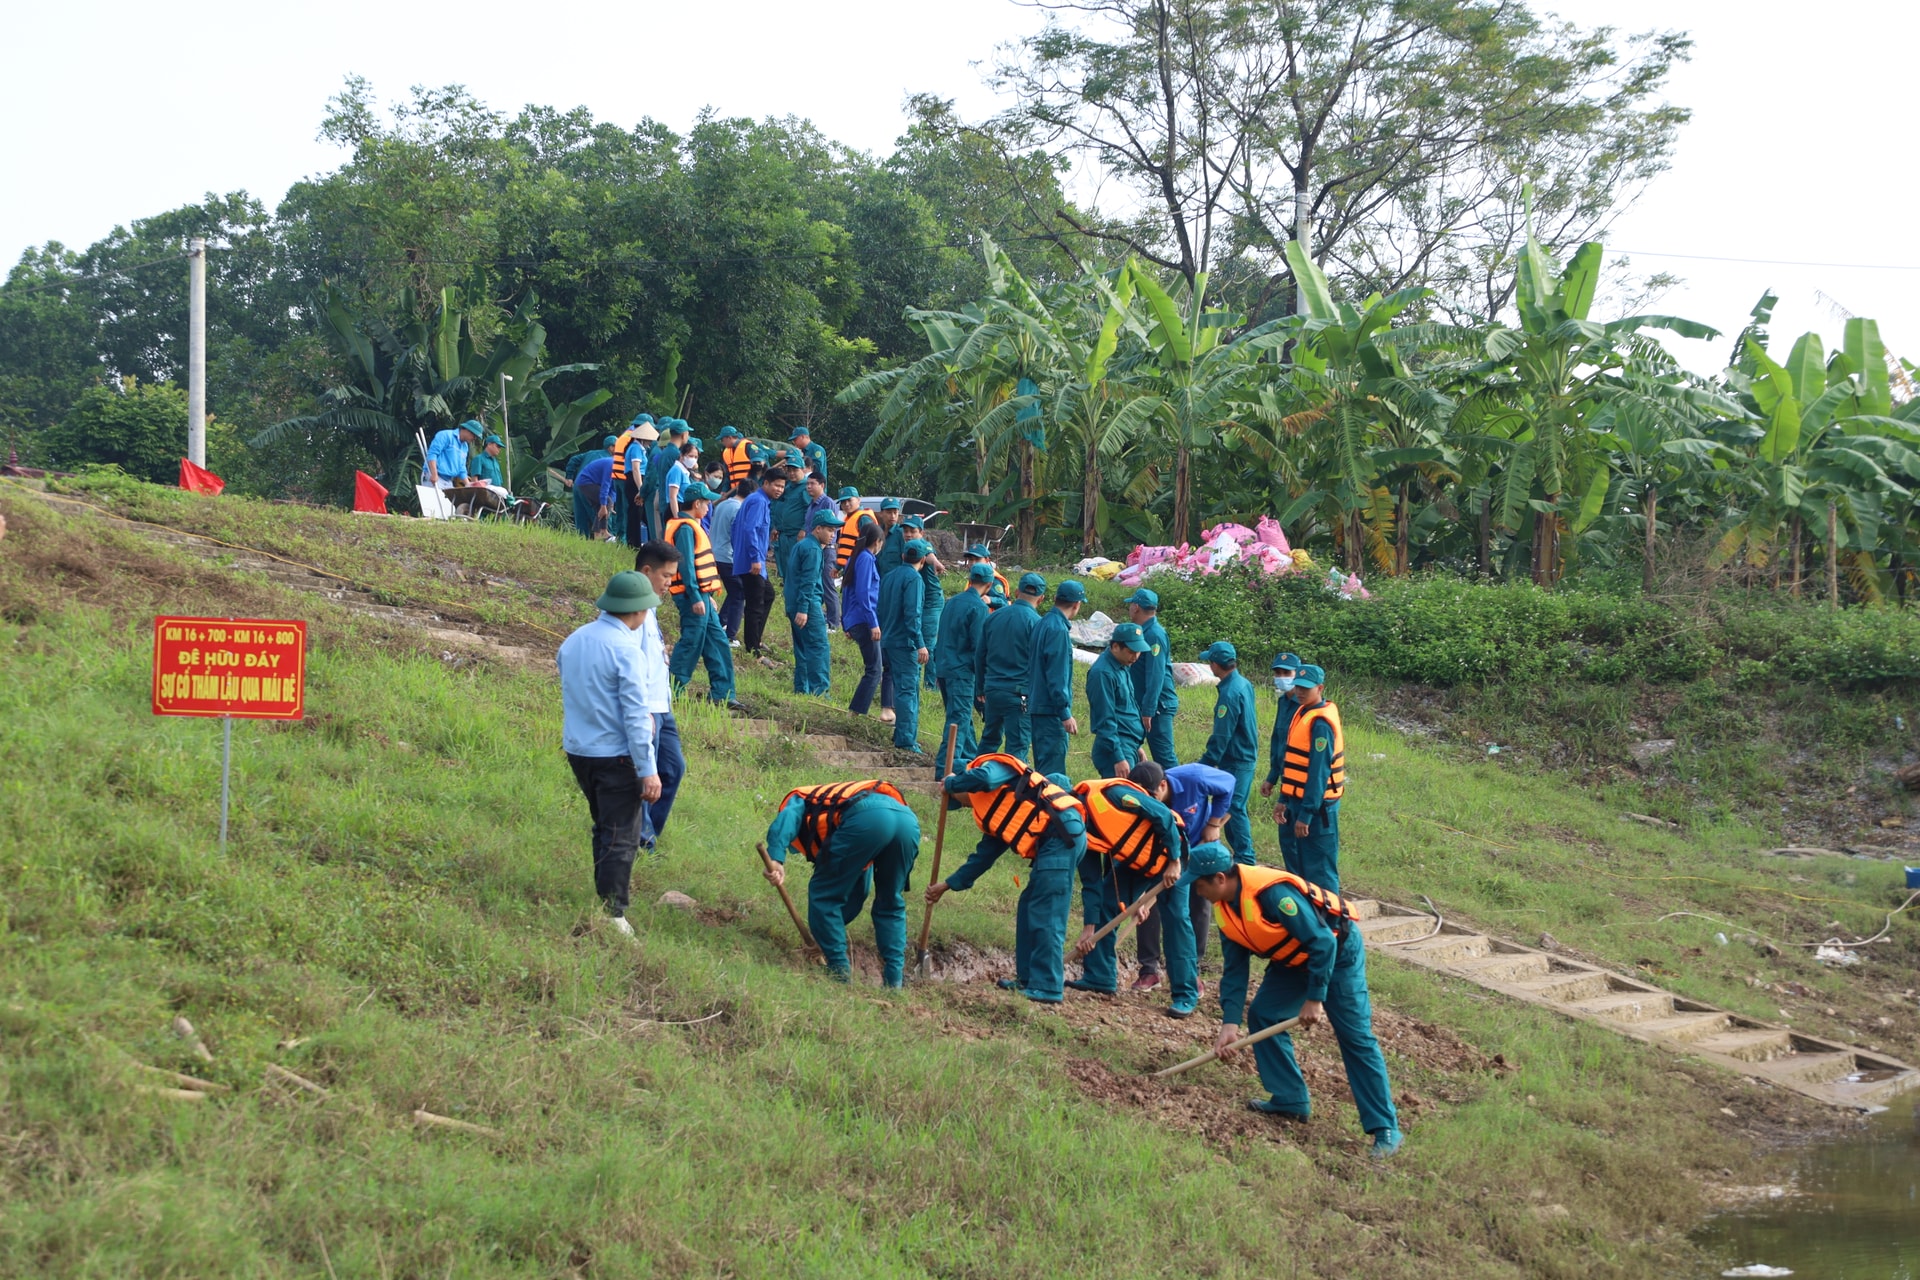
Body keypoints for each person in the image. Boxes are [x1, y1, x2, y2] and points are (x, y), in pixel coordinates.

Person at [1183, 842, 1402, 1157]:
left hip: (1337, 954)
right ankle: (1290, 1099)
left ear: (1219, 878)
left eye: (1199, 885)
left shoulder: (1273, 894)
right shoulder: (1225, 909)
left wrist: (1315, 998)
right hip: (1294, 960)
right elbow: (1234, 972)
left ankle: (1386, 1127)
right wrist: (1229, 1023)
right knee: (1264, 1014)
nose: (1197, 892)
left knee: (1354, 1035)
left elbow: (1323, 941)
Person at [925, 755, 1086, 1004]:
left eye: (958, 800)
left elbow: (985, 778)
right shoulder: (996, 809)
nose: (965, 806)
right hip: (1054, 840)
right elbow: (982, 859)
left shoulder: (993, 769)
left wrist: (952, 784)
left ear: (964, 783)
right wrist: (946, 886)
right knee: (1029, 905)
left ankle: (1048, 987)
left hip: (1061, 834)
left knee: (1046, 911)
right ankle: (1027, 979)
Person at [557, 572, 663, 936]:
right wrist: (648, 769)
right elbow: (635, 716)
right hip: (616, 755)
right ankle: (612, 915)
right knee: (622, 835)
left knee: (604, 826)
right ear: (639, 611)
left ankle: (603, 899)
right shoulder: (626, 651)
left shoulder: (574, 640)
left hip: (579, 749)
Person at [762, 780, 921, 986]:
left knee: (823, 894)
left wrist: (775, 856)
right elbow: (856, 895)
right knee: (890, 902)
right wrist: (825, 936)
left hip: (866, 820)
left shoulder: (800, 798)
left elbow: (789, 816)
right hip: (906, 821)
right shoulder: (837, 810)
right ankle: (894, 982)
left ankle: (839, 975)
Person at [1068, 773, 1196, 1017]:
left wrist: (1174, 861)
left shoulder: (1114, 795)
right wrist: (1090, 927)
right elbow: (1093, 882)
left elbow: (1163, 815)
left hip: (1172, 855)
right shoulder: (1078, 828)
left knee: (1176, 920)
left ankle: (1185, 994)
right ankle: (1100, 976)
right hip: (1138, 863)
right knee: (1107, 900)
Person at [1133, 760, 1233, 987]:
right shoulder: (1138, 801)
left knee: (1198, 904)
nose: (1148, 802)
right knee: (1150, 903)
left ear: (1162, 785)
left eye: (1151, 795)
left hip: (1199, 845)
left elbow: (1229, 783)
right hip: (1162, 852)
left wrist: (1214, 823)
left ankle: (1192, 970)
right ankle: (1149, 970)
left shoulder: (1194, 777)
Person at [629, 545, 688, 846]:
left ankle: (648, 833)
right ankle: (641, 841)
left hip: (662, 706)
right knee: (645, 775)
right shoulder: (630, 608)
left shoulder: (651, 608)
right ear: (646, 572)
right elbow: (627, 666)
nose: (670, 582)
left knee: (673, 768)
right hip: (646, 708)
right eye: (666, 575)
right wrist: (642, 713)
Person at [660, 483, 737, 707]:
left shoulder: (691, 524)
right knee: (691, 642)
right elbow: (686, 566)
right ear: (697, 504)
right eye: (707, 503)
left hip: (700, 595)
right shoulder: (685, 527)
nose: (709, 507)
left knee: (718, 641)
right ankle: (671, 690)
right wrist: (695, 596)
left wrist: (705, 595)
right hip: (690, 595)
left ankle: (723, 694)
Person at [1273, 663, 1346, 892]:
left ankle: (1332, 923)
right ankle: (1309, 921)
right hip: (1297, 800)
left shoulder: (1320, 723)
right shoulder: (1301, 712)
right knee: (1302, 869)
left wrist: (1306, 814)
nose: (1300, 692)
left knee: (1320, 872)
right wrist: (1283, 800)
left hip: (1317, 809)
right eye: (1298, 687)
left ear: (1320, 688)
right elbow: (1294, 765)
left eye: (1306, 688)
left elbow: (1318, 773)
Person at [1197, 641, 1260, 866]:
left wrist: (1206, 762)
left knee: (1233, 807)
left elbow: (1222, 735)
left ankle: (1246, 859)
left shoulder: (1230, 693)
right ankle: (1240, 856)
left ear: (1215, 664)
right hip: (1243, 756)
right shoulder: (1243, 684)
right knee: (1231, 806)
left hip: (1236, 759)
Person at [933, 562, 992, 775]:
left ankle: (970, 761)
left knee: (963, 717)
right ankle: (945, 768)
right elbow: (979, 647)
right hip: (962, 672)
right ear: (989, 584)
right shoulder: (979, 608)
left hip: (943, 667)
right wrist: (983, 683)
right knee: (958, 719)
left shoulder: (951, 602)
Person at [976, 573, 1041, 758]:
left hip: (993, 690)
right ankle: (1011, 786)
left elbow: (980, 655)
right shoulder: (1037, 624)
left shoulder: (994, 617)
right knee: (1017, 749)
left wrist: (980, 687)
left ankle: (974, 781)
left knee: (989, 740)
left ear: (1016, 591)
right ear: (1042, 598)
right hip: (1019, 694)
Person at [878, 538, 930, 752]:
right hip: (904, 642)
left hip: (887, 639)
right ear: (923, 560)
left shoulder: (889, 577)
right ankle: (907, 740)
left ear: (902, 557)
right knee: (908, 691)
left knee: (898, 687)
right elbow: (912, 614)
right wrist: (920, 644)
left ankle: (900, 734)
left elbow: (880, 607)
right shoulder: (914, 580)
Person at [1027, 579, 1083, 777]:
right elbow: (1056, 676)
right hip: (1050, 711)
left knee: (1042, 770)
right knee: (1053, 775)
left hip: (1037, 706)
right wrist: (1064, 713)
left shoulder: (1042, 622)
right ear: (1077, 605)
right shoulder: (1058, 630)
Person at [1085, 620, 1150, 777]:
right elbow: (1105, 720)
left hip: (1128, 745)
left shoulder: (1122, 665)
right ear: (1115, 647)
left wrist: (1136, 747)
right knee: (1123, 798)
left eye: (1139, 652)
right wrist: (1118, 758)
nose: (1135, 657)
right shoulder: (1103, 674)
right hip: (1116, 748)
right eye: (1131, 651)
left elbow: (1126, 709)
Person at [731, 467, 784, 659]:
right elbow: (749, 529)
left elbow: (738, 526)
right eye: (776, 485)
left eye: (782, 486)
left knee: (768, 595)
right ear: (766, 483)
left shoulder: (757, 500)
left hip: (751, 559)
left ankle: (756, 640)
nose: (779, 489)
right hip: (752, 562)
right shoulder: (759, 501)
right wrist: (754, 557)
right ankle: (753, 649)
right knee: (755, 603)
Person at [786, 508, 839, 695]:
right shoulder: (813, 549)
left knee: (802, 648)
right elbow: (807, 582)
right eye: (830, 530)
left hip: (793, 603)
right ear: (818, 529)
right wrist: (803, 608)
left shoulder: (802, 545)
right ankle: (821, 692)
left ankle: (802, 689)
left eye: (834, 530)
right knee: (819, 646)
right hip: (808, 605)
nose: (833, 534)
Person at [1259, 651, 1305, 863]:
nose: (1281, 677)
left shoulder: (1304, 706)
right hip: (1284, 774)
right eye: (1278, 672)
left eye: (1286, 672)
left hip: (1300, 779)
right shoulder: (1283, 702)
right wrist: (1272, 776)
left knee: (1298, 842)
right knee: (1286, 839)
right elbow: (1278, 742)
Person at [1125, 588, 1179, 767]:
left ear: (1136, 607)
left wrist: (1148, 710)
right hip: (1147, 703)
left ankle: (1180, 793)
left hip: (1158, 706)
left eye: (1131, 604)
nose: (1129, 608)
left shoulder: (1154, 635)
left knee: (1164, 757)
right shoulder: (1143, 632)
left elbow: (1156, 676)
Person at [841, 522, 885, 715]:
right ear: (877, 542)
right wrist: (873, 623)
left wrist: (846, 622)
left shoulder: (854, 557)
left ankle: (856, 712)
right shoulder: (867, 559)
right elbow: (863, 593)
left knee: (873, 668)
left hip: (855, 619)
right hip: (865, 620)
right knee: (875, 670)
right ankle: (856, 713)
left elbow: (846, 591)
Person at [709, 478, 749, 641]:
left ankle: (718, 621)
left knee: (729, 592)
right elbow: (737, 536)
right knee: (739, 594)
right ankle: (730, 635)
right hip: (728, 556)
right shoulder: (739, 509)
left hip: (713, 553)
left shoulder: (723, 503)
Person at [608, 416, 658, 545]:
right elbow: (636, 469)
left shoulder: (629, 441)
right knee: (633, 512)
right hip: (633, 480)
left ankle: (629, 540)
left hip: (623, 478)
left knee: (631, 512)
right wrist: (641, 489)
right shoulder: (635, 447)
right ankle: (631, 542)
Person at [802, 473, 841, 629]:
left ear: (822, 485)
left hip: (826, 549)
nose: (809, 487)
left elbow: (831, 530)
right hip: (815, 548)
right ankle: (824, 618)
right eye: (807, 484)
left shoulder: (828, 503)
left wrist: (820, 548)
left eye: (812, 483)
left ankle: (833, 623)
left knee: (828, 585)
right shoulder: (812, 504)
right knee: (817, 584)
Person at [769, 458, 811, 582]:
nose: (792, 473)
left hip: (796, 536)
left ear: (802, 469)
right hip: (783, 536)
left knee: (797, 571)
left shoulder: (806, 488)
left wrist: (804, 529)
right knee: (786, 572)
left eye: (795, 470)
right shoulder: (787, 488)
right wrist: (776, 527)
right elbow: (777, 507)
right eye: (789, 470)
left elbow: (809, 511)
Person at [569, 435, 618, 537]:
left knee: (580, 516)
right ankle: (602, 535)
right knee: (600, 510)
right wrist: (608, 504)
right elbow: (608, 485)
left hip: (578, 485)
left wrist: (569, 476)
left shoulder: (591, 453)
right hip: (589, 486)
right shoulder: (610, 461)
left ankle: (582, 539)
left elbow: (573, 459)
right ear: (611, 447)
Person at [421, 419, 482, 488]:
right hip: (434, 475)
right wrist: (434, 474)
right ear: (467, 430)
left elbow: (461, 468)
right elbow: (432, 454)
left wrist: (468, 484)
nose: (474, 439)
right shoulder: (446, 435)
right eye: (474, 436)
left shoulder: (465, 447)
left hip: (448, 480)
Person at [918, 539, 944, 690]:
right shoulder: (896, 540)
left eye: (913, 531)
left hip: (931, 600)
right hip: (912, 598)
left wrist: (935, 562)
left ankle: (931, 684)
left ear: (920, 533)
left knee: (929, 643)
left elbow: (929, 555)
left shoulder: (924, 545)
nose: (909, 534)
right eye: (906, 531)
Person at [874, 499, 907, 577]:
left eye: (895, 512)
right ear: (881, 513)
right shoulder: (876, 533)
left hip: (895, 581)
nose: (892, 516)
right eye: (889, 512)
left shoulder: (902, 534)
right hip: (878, 581)